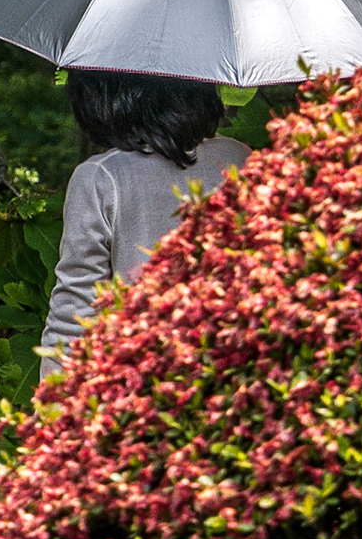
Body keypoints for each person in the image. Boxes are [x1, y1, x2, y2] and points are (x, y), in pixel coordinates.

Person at [40, 70, 250, 377]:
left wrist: (53, 409)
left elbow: (77, 311)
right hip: (236, 370)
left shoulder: (101, 177)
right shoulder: (239, 157)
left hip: (145, 382)